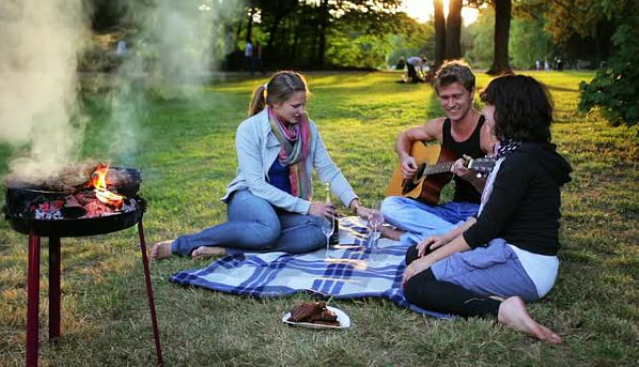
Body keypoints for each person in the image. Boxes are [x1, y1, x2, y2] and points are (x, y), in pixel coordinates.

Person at [401, 74, 572, 343]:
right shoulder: (520, 153)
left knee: (416, 284)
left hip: (523, 266)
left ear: (507, 112)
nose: (486, 114)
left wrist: (429, 262)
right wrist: (444, 239)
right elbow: (489, 215)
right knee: (417, 251)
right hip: (508, 249)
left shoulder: (519, 163)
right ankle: (491, 294)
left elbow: (484, 230)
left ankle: (502, 309)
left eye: (490, 106)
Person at [151, 71, 372, 259]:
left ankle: (227, 250)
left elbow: (328, 169)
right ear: (275, 103)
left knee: (324, 230)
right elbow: (257, 185)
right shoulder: (250, 129)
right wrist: (308, 207)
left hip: (285, 206)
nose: (301, 111)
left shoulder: (307, 127)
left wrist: (355, 205)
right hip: (250, 200)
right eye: (296, 105)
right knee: (269, 229)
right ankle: (179, 245)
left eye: (304, 104)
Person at [381, 60, 495, 244]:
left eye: (457, 96)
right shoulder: (440, 127)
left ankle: (414, 238)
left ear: (471, 93)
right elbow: (405, 136)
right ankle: (457, 238)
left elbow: (499, 190)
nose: (450, 104)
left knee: (488, 226)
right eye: (444, 97)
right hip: (451, 210)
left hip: (479, 211)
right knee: (389, 206)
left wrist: (473, 177)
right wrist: (405, 157)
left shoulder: (487, 132)